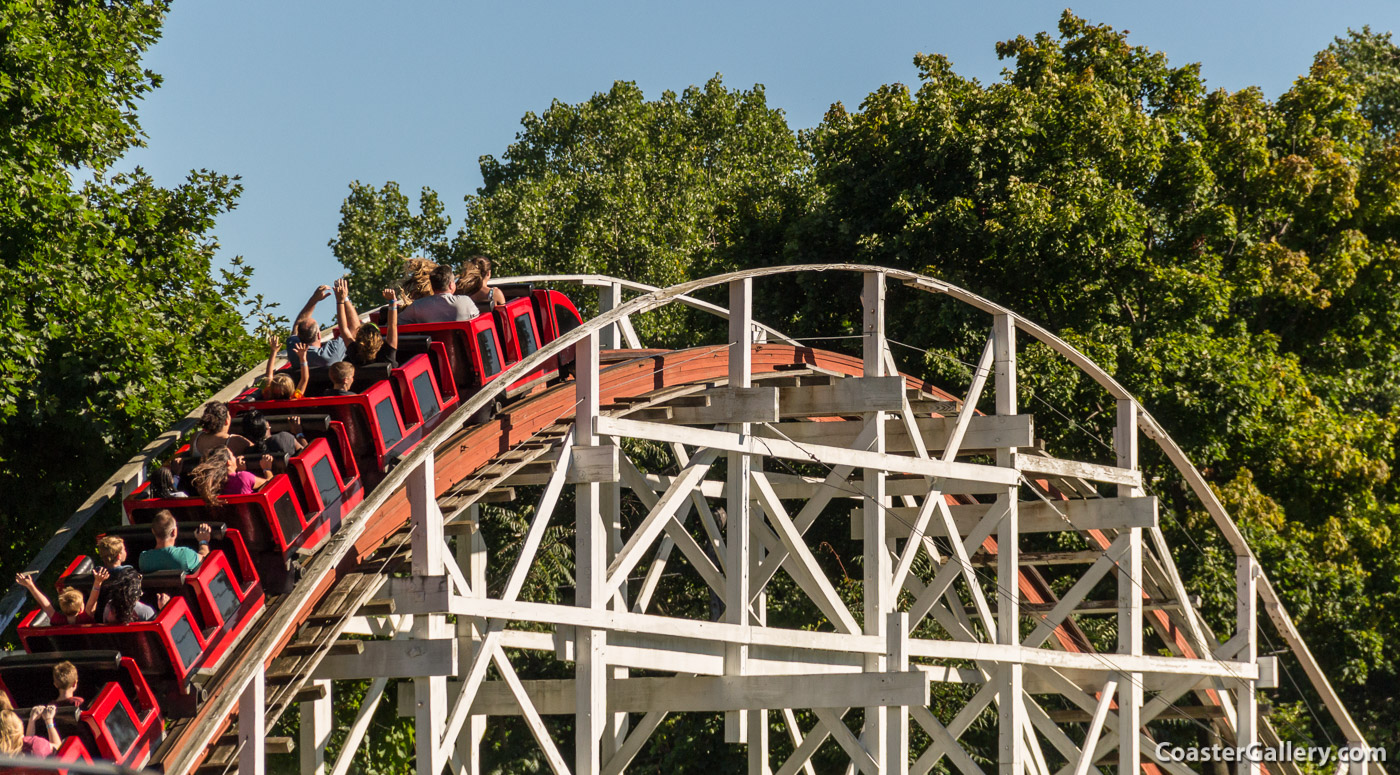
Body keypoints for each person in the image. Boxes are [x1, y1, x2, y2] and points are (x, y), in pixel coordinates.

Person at [333, 279, 400, 368]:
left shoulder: (355, 354)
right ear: (379, 339)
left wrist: (340, 300)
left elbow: (343, 328)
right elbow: (392, 325)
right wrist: (392, 302)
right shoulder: (387, 356)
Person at [287, 285, 348, 369]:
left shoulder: (294, 352)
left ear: (299, 337)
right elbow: (351, 330)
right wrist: (343, 299)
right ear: (319, 335)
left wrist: (314, 299)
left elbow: (297, 326)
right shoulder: (331, 353)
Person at [190, 448, 273, 506]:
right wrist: (266, 468)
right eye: (233, 455)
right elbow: (271, 483)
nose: (235, 458)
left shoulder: (213, 486)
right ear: (229, 462)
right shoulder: (243, 477)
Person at [398, 265, 477, 324]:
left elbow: (396, 323)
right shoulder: (465, 302)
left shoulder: (418, 306)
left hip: (431, 346)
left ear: (432, 286)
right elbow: (478, 323)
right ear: (451, 285)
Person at [138, 510, 211, 573]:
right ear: (174, 532)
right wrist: (203, 541)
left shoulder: (144, 560)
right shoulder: (185, 555)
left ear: (153, 531)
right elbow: (206, 561)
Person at [13, 574, 94, 626]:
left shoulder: (58, 621)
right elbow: (93, 600)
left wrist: (30, 585)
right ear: (80, 609)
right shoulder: (86, 619)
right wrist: (98, 582)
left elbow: (45, 604)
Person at [241, 409, 305, 458]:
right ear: (267, 425)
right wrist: (299, 433)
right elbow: (307, 454)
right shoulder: (284, 438)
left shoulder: (248, 454)